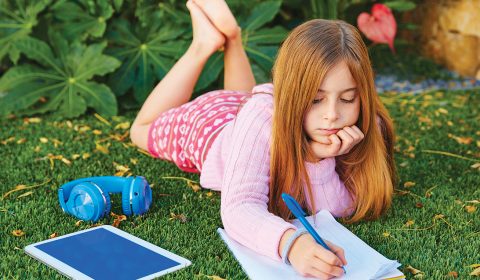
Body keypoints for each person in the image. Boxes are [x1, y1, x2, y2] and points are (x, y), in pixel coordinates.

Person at [130, 0, 396, 279]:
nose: (332, 115)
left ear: (362, 94)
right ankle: (202, 45)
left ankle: (233, 38)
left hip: (246, 113)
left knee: (246, 103)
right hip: (210, 129)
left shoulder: (368, 125)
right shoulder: (260, 120)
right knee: (140, 130)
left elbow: (340, 206)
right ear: (291, 93)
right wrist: (291, 244)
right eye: (316, 99)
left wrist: (317, 158)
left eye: (347, 98)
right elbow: (239, 207)